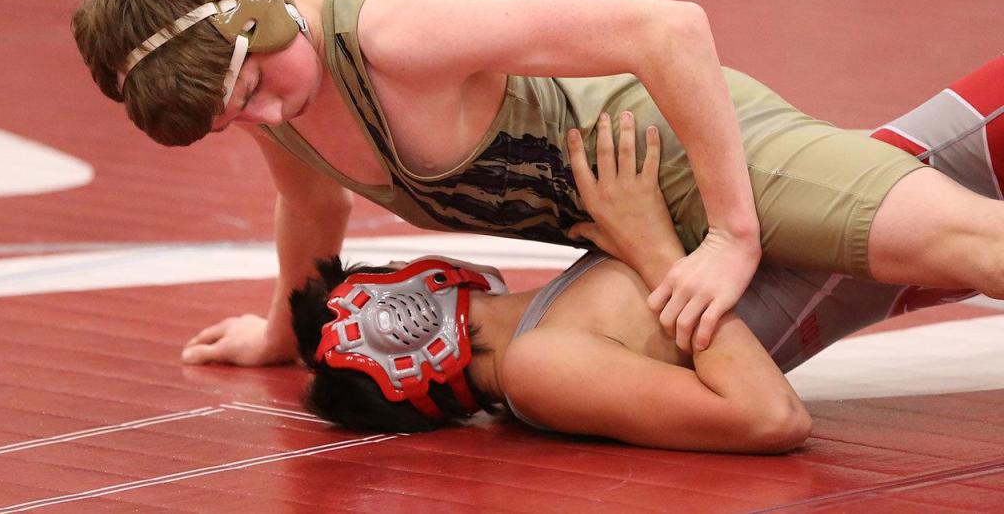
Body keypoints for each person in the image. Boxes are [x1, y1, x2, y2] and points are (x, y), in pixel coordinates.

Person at [70, 0, 1004, 366]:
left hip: (693, 158)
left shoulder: (391, 33)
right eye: (237, 117)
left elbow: (668, 28)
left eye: (254, 89)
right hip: (629, 240)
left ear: (262, 2)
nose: (267, 119)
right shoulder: (287, 93)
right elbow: (312, 207)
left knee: (967, 247)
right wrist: (286, 332)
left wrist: (731, 232)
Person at [289, 106, 996, 453]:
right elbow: (768, 418)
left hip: (885, 197)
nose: (393, 268)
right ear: (399, 320)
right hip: (902, 205)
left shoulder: (540, 334)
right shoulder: (539, 366)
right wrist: (655, 246)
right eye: (375, 277)